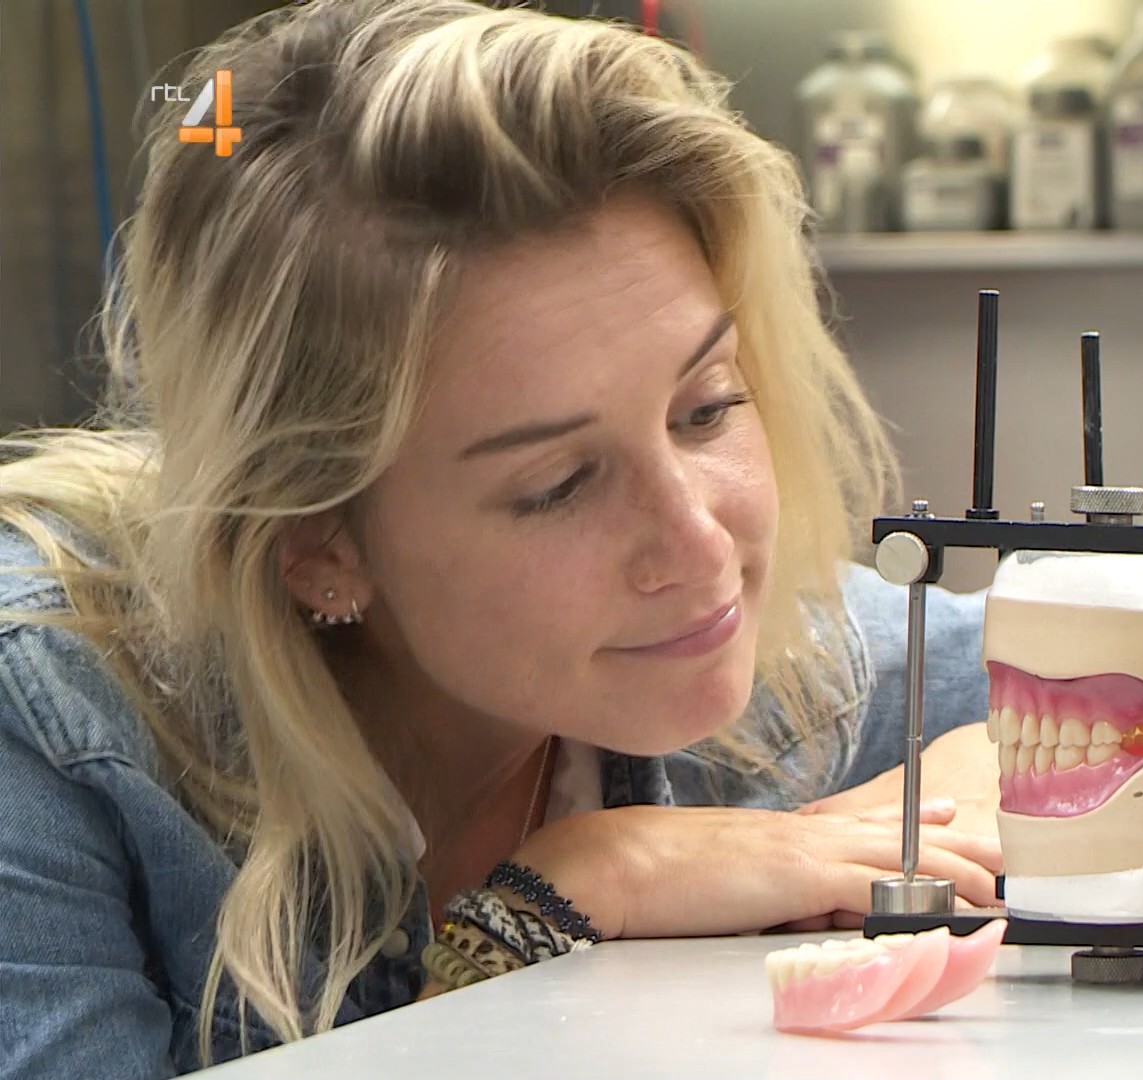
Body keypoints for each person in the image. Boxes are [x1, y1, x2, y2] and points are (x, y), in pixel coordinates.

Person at [0, 2, 1002, 1075]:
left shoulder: (792, 675)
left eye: (707, 407)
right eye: (559, 485)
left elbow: (1120, 664)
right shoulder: (51, 713)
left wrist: (1003, 766)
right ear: (319, 545)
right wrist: (558, 902)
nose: (701, 546)